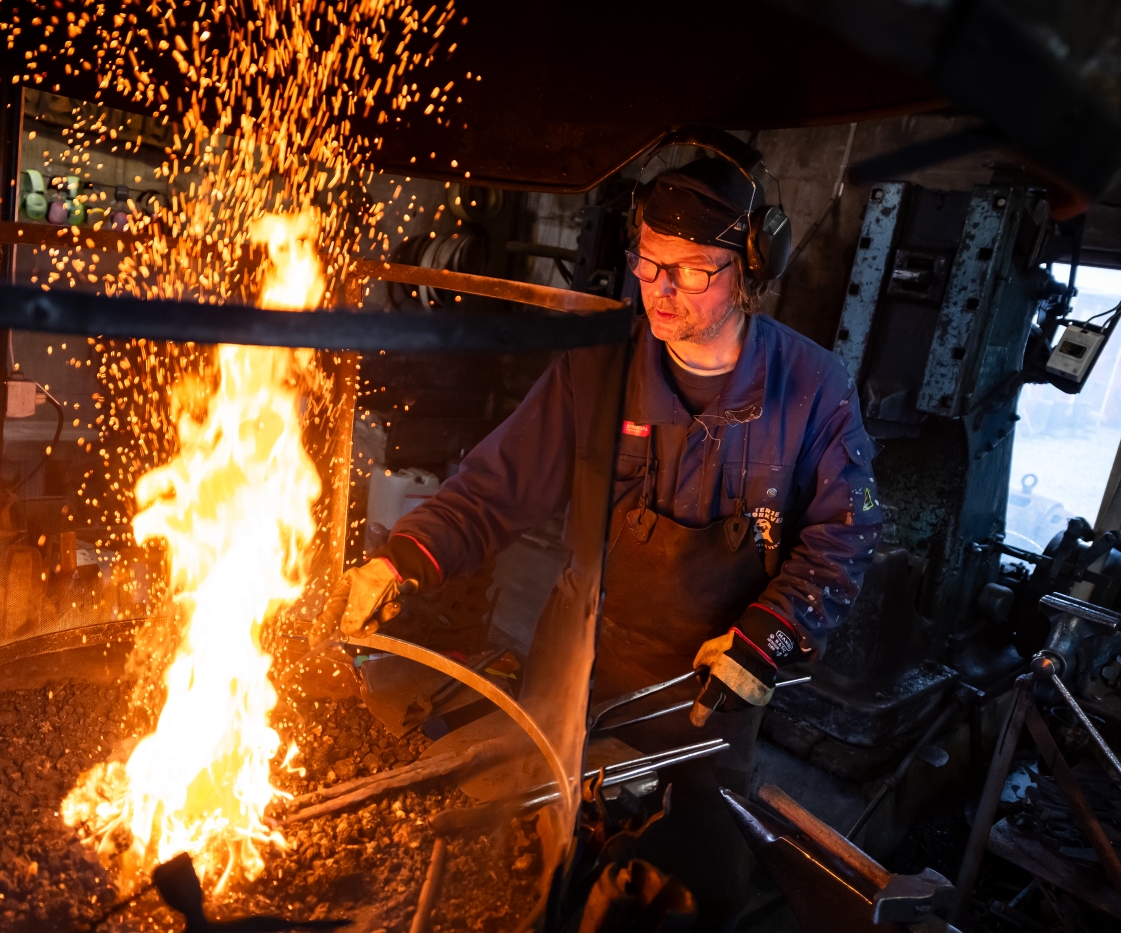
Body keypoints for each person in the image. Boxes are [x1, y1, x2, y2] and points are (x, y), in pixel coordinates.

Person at [320, 149, 882, 930]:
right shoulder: (601, 365)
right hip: (575, 665)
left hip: (709, 694)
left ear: (749, 269)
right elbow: (498, 485)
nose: (660, 291)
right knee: (536, 869)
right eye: (647, 265)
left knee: (690, 889)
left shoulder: (814, 388)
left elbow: (843, 538)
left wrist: (771, 643)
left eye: (689, 271)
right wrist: (402, 556)